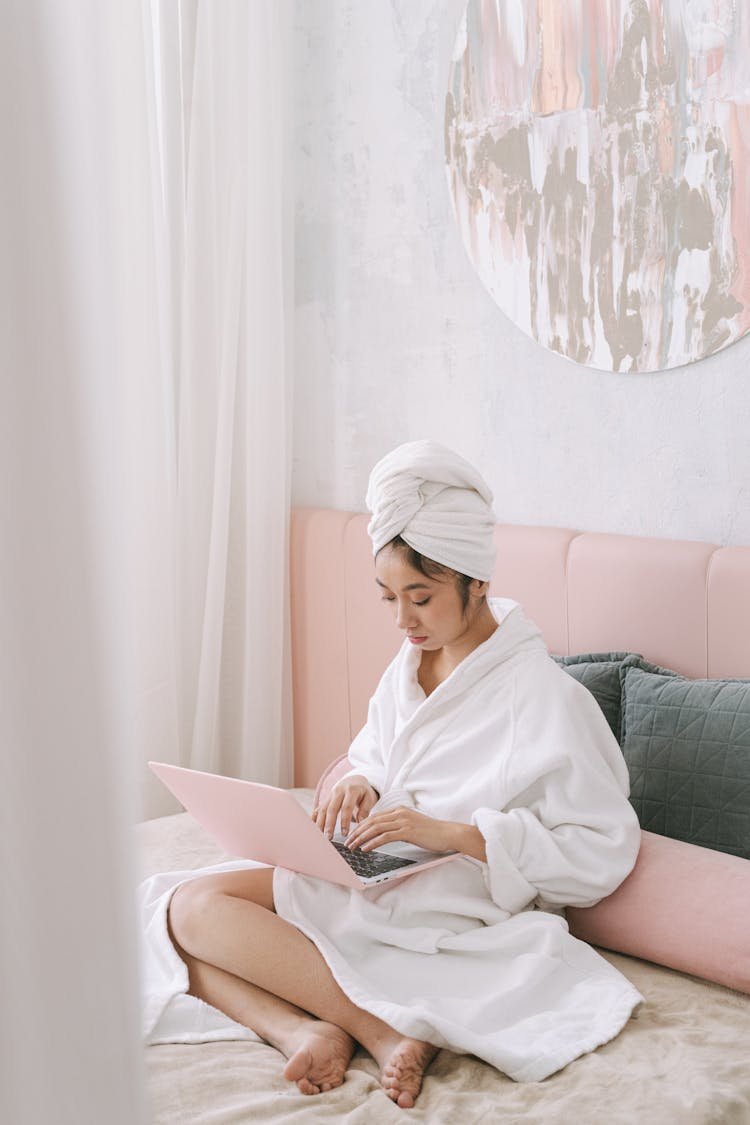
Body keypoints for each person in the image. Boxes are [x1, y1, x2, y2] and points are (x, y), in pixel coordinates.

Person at [164, 440, 643, 1109]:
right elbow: (379, 751)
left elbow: (601, 849)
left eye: (420, 596)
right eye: (388, 596)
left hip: (443, 897)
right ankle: (305, 1026)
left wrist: (452, 834)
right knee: (180, 910)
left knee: (195, 915)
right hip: (373, 866)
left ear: (476, 580)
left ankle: (376, 1030)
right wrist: (361, 777)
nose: (402, 618)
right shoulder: (410, 663)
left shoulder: (548, 699)